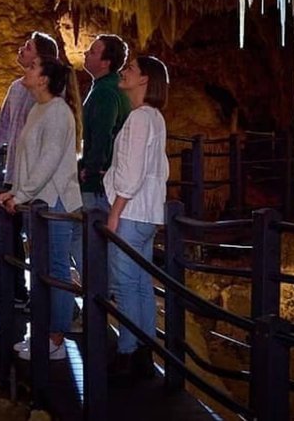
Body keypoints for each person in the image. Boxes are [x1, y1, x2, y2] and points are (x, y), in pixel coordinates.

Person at [0, 31, 61, 300]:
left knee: (38, 236)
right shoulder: (17, 88)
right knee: (10, 234)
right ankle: (17, 289)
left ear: (39, 58)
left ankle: (47, 297)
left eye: (27, 47)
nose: (20, 49)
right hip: (15, 172)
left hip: (38, 178)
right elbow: (2, 128)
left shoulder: (51, 94)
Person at [0, 56, 83, 361]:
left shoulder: (59, 113)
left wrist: (20, 195)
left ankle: (56, 339)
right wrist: (17, 194)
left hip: (56, 201)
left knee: (56, 270)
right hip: (39, 201)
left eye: (33, 67)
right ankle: (44, 332)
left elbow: (48, 161)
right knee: (42, 269)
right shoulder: (38, 109)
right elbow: (26, 159)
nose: (27, 70)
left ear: (44, 79)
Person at [103, 55, 170, 379]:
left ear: (145, 79)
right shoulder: (155, 117)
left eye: (129, 68)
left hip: (130, 213)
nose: (123, 71)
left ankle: (128, 354)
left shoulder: (139, 119)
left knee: (127, 286)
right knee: (142, 284)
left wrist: (115, 212)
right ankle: (146, 352)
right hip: (149, 214)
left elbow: (132, 173)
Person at [72, 35, 130, 274]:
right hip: (107, 176)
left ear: (106, 62)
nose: (86, 53)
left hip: (98, 181)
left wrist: (91, 167)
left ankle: (98, 288)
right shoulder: (109, 87)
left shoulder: (105, 92)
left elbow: (103, 133)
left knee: (81, 236)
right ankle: (103, 288)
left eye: (93, 51)